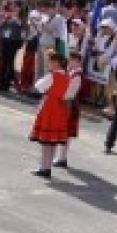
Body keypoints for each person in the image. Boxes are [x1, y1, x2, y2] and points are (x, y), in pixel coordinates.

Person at [29, 50, 71, 178]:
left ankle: (44, 168)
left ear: (56, 63)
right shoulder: (66, 76)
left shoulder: (53, 76)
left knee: (46, 140)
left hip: (50, 107)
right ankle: (46, 167)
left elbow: (39, 86)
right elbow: (68, 94)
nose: (49, 65)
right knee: (52, 141)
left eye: (51, 62)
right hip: (60, 107)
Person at [53, 51, 86, 168]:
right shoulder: (72, 73)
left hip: (70, 105)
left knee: (66, 132)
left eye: (72, 60)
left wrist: (60, 96)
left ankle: (62, 158)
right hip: (68, 103)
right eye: (70, 60)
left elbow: (71, 92)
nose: (70, 62)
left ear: (77, 61)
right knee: (64, 131)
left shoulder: (77, 75)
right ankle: (61, 157)